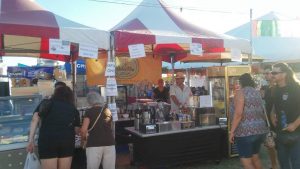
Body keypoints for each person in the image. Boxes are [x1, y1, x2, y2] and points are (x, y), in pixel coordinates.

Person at [27, 86, 80, 169]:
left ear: (56, 93)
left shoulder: (46, 103)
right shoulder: (73, 108)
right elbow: (76, 130)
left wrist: (31, 140)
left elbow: (35, 119)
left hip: (48, 140)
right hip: (67, 141)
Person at [230, 73, 268, 169]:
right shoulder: (257, 93)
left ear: (241, 82)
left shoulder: (240, 93)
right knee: (255, 158)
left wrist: (232, 131)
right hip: (260, 130)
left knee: (246, 162)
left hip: (245, 132)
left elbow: (238, 113)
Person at [270, 62, 300, 169]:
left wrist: (295, 125)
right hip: (281, 132)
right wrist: (272, 113)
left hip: (296, 133)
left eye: (275, 72)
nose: (272, 75)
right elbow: (276, 104)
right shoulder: (275, 89)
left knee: (296, 164)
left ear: (284, 74)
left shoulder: (296, 88)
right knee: (283, 163)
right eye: (271, 72)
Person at [80, 92, 115, 169]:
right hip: (109, 143)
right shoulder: (107, 111)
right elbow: (110, 126)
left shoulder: (89, 111)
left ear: (89, 101)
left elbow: (83, 130)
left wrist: (83, 141)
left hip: (94, 144)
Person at [260, 65, 279, 169]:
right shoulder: (266, 88)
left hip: (276, 120)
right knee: (269, 144)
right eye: (264, 74)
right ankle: (274, 165)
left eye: (267, 73)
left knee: (278, 145)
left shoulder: (278, 88)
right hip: (267, 120)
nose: (265, 76)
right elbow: (264, 102)